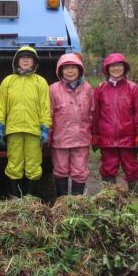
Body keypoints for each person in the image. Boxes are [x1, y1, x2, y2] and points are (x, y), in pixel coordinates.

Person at [0, 46, 51, 198]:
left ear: (34, 62)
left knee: (33, 166)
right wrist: (0, 125)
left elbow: (46, 107)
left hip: (34, 131)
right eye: (22, 57)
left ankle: (30, 198)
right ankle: (15, 197)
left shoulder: (40, 82)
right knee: (14, 165)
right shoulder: (8, 81)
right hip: (14, 130)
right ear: (17, 61)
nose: (25, 60)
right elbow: (1, 105)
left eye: (29, 57)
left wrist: (45, 127)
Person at [91, 53, 138, 193]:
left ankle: (135, 201)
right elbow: (96, 114)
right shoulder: (100, 89)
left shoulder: (133, 88)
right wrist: (95, 134)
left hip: (128, 137)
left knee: (132, 169)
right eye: (112, 66)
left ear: (124, 68)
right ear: (107, 69)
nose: (116, 68)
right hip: (107, 138)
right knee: (108, 169)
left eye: (119, 65)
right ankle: (109, 201)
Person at [49, 53, 94, 197]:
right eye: (66, 68)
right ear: (60, 71)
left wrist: (94, 133)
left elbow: (92, 112)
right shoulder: (53, 89)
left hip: (81, 138)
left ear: (80, 69)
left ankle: (77, 203)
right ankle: (62, 203)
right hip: (60, 138)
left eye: (73, 67)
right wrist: (47, 135)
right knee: (60, 170)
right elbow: (48, 114)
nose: (70, 71)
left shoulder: (87, 88)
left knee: (80, 171)